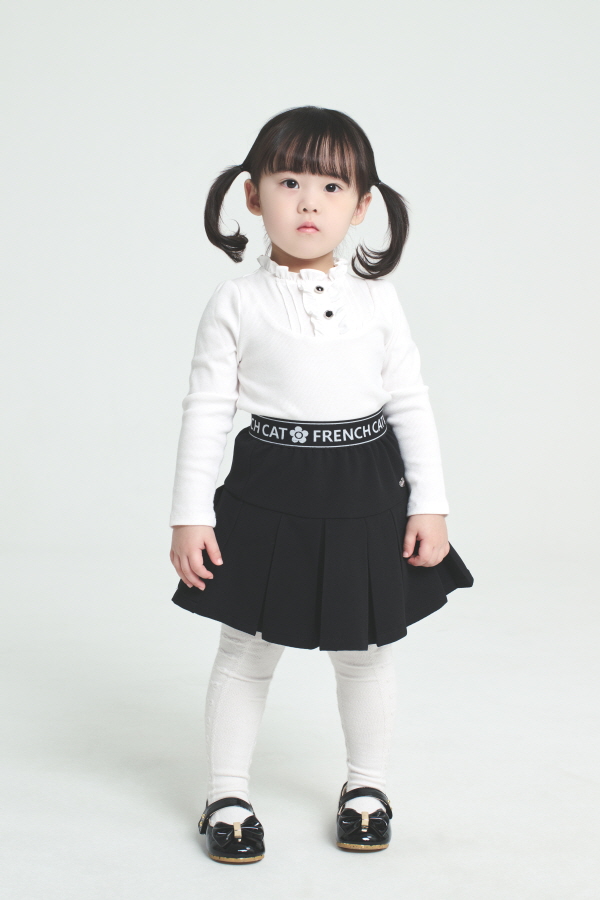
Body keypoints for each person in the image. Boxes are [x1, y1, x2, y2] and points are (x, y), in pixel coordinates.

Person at [168, 105, 474, 864]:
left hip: (366, 490)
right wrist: (189, 513)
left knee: (365, 651)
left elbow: (410, 402)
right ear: (252, 195)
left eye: (332, 186)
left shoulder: (380, 300)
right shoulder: (236, 302)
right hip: (268, 488)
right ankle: (227, 794)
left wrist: (431, 503)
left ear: (362, 206)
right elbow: (207, 410)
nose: (309, 201)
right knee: (245, 649)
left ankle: (366, 787)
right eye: (289, 182)